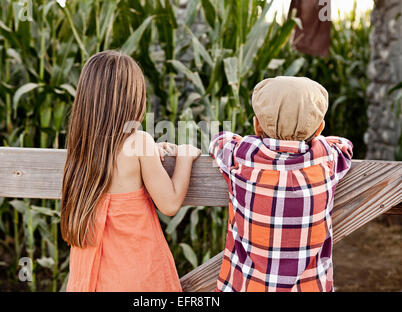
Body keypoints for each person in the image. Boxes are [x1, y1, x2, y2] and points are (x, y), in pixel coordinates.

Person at [61, 50, 201, 292]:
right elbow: (169, 204)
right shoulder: (139, 142)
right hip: (134, 272)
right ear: (132, 98)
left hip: (93, 272)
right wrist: (185, 157)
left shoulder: (81, 146)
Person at [209, 76, 353, 292]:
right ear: (320, 128)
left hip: (249, 286)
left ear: (256, 125)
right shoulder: (327, 160)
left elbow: (219, 141)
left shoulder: (241, 156)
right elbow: (344, 145)